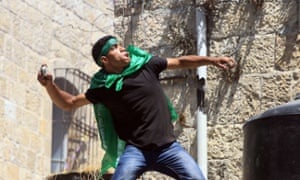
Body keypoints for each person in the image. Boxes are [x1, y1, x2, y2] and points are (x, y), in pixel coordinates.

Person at [37, 35, 236, 180]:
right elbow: (69, 103)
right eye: (115, 47)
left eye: (121, 45)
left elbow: (181, 61)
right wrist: (49, 85)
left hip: (167, 147)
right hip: (136, 151)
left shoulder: (146, 66)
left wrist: (212, 60)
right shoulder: (103, 88)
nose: (123, 49)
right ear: (105, 60)